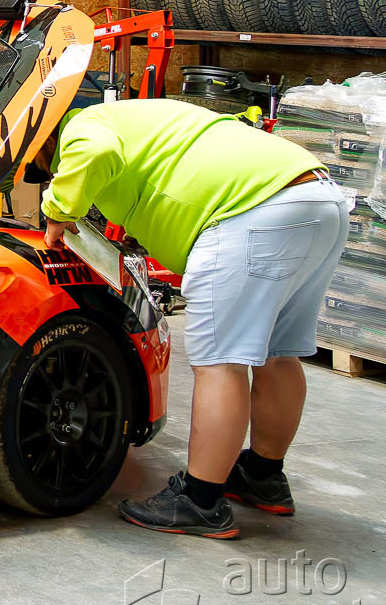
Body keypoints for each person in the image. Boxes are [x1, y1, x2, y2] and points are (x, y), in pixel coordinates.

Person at [41, 98, 345, 539]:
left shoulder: (83, 125)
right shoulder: (140, 115)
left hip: (252, 211)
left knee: (220, 362)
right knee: (278, 355)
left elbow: (95, 152)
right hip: (318, 199)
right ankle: (262, 476)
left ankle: (200, 501)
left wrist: (58, 210)